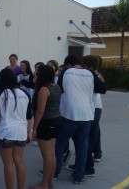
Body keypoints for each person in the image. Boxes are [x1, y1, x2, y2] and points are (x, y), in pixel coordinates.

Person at [54, 55, 106, 184]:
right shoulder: (90, 73)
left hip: (69, 115)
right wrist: (101, 80)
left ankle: (54, 173)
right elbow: (102, 89)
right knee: (82, 146)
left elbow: (59, 89)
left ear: (69, 64)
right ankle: (78, 177)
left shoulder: (66, 72)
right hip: (86, 116)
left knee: (59, 145)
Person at [0, 68, 32, 189]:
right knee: (19, 161)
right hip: (21, 133)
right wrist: (28, 132)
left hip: (5, 133)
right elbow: (29, 117)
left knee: (8, 164)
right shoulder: (25, 94)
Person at [30, 65, 62, 189]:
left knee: (47, 155)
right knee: (51, 154)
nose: (35, 75)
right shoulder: (57, 87)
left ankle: (44, 184)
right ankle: (49, 183)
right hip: (56, 120)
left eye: (37, 73)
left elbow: (40, 111)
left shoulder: (44, 89)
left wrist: (34, 128)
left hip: (46, 123)